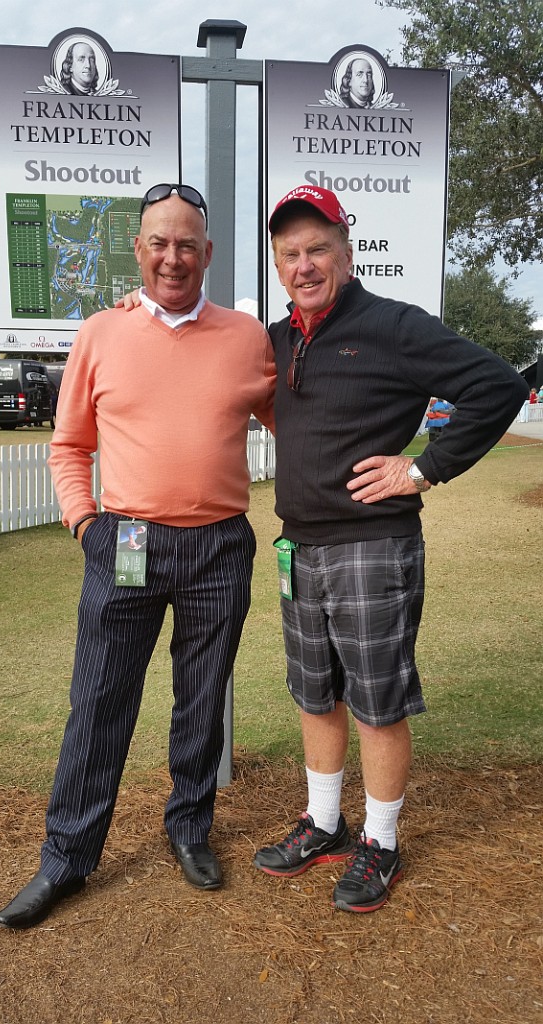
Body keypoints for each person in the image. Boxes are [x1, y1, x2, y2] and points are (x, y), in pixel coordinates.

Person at [0, 183, 276, 930]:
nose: (173, 256)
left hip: (218, 546)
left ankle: (188, 828)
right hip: (125, 543)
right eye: (159, 242)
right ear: (138, 249)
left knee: (201, 695)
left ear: (207, 253)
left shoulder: (247, 337)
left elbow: (300, 424)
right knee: (99, 699)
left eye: (187, 243)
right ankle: (66, 859)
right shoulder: (101, 333)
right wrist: (85, 522)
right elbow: (70, 442)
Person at [251, 185, 528, 914]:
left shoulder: (393, 326)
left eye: (317, 249)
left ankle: (380, 839)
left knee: (374, 703)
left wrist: (421, 468)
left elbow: (495, 385)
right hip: (297, 547)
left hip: (373, 546)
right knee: (314, 693)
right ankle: (323, 822)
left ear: (346, 251)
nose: (304, 264)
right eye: (290, 254)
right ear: (277, 265)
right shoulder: (277, 339)